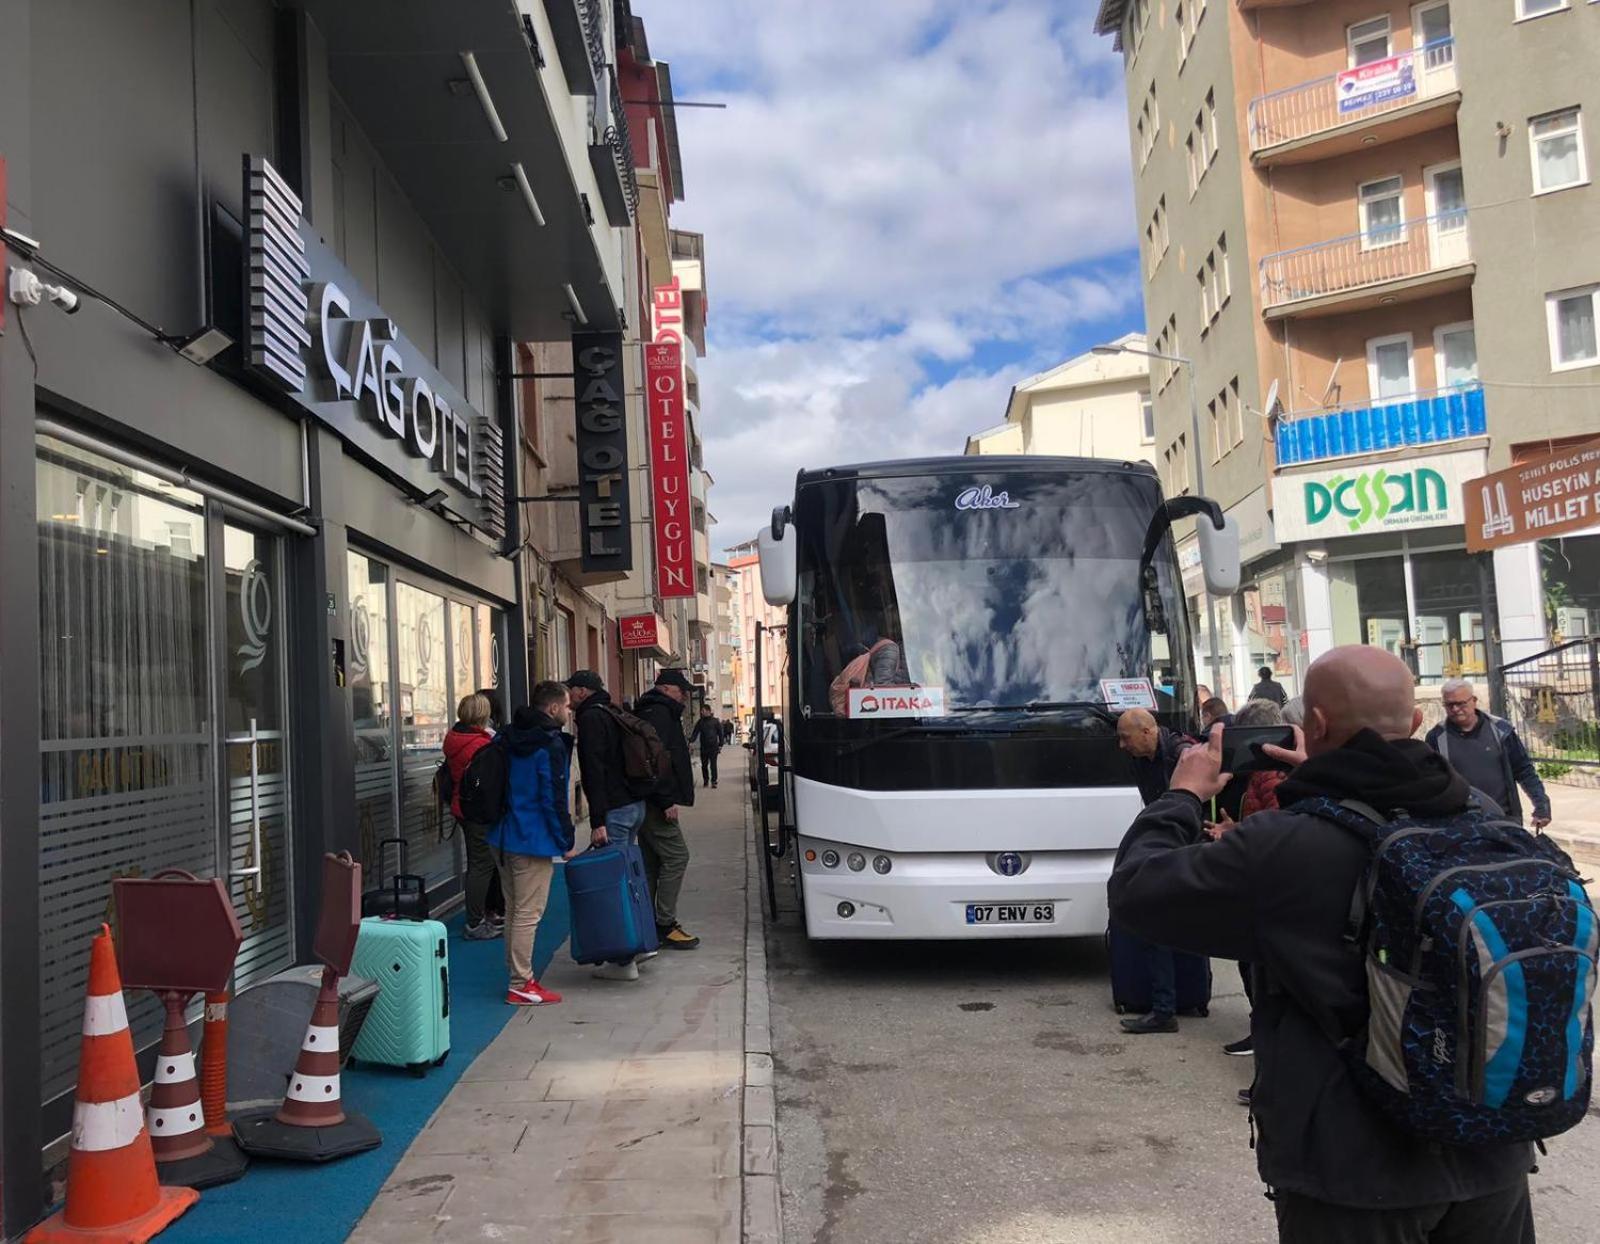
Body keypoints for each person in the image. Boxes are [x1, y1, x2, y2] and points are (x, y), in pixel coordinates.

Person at [1110, 647, 1536, 1243]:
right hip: (1493, 1153)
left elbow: (1136, 892)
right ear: (1416, 722)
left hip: (1352, 1172)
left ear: (1314, 726)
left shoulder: (1287, 846)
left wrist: (1180, 795)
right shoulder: (1485, 816)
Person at [488, 683, 576, 1006]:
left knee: (514, 910)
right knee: (529, 913)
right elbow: (552, 798)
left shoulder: (507, 736)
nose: (569, 713)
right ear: (553, 708)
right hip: (532, 838)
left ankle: (517, 975)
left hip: (502, 834)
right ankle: (521, 981)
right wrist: (565, 840)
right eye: (567, 707)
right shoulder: (548, 745)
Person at [1113, 708, 1195, 1034]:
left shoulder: (1184, 755)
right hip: (1167, 842)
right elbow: (1154, 805)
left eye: (1124, 737)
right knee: (1155, 917)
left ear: (1148, 732)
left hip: (1190, 843)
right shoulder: (1140, 759)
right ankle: (1166, 1007)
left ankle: (1169, 1007)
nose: (1121, 745)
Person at [565, 669, 650, 981]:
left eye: (571, 690)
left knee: (615, 886)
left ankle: (623, 961)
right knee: (629, 880)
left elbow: (594, 772)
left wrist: (597, 819)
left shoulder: (590, 719)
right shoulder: (613, 711)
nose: (568, 697)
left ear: (583, 691)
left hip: (614, 809)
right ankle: (640, 941)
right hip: (633, 805)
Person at [633, 669, 701, 950]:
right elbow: (654, 761)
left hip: (647, 799)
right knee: (677, 857)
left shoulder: (652, 710)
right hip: (656, 801)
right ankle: (665, 923)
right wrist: (665, 800)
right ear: (665, 688)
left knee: (652, 863)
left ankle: (647, 924)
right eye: (679, 690)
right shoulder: (659, 714)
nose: (684, 695)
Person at [1425, 678, 1551, 829]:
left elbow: (1524, 770)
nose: (1456, 709)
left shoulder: (1501, 730)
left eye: (1461, 703)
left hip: (1504, 819)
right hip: (1459, 825)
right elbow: (1431, 782)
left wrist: (1541, 806)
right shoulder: (1437, 737)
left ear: (1474, 701)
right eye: (1450, 705)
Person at [443, 692, 501, 941]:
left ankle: (482, 915)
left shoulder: (455, 738)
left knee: (480, 863)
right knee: (481, 865)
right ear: (482, 715)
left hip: (463, 806)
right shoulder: (481, 745)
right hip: (477, 811)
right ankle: (475, 922)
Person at [689, 704, 724, 789]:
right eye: (701, 711)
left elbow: (720, 733)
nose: (701, 712)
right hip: (704, 747)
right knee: (704, 765)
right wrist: (690, 741)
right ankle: (706, 780)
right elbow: (695, 732)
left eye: (703, 711)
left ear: (708, 711)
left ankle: (714, 781)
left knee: (713, 765)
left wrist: (720, 744)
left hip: (713, 747)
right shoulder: (700, 722)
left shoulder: (715, 721)